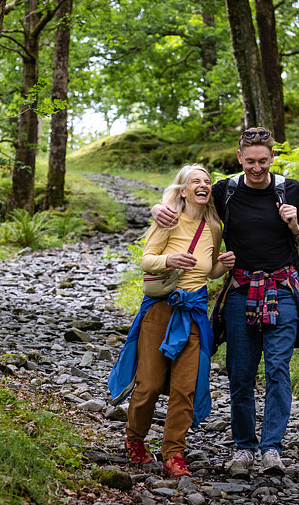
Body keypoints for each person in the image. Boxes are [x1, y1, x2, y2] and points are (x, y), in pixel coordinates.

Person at [149, 128, 299, 475]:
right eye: (250, 162)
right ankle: (245, 448)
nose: (257, 169)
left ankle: (272, 448)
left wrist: (294, 225)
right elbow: (189, 201)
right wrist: (160, 207)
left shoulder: (291, 190)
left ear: (272, 158)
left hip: (283, 288)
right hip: (239, 290)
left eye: (263, 161)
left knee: (278, 370)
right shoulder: (225, 191)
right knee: (241, 374)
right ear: (239, 158)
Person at [108, 164, 236, 478]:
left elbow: (208, 272)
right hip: (160, 310)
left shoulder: (214, 228)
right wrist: (169, 260)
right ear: (182, 189)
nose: (204, 185)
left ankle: (173, 453)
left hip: (193, 314)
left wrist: (224, 266)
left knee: (185, 388)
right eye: (196, 181)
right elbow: (146, 260)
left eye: (207, 181)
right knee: (149, 383)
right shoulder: (168, 219)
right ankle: (135, 439)